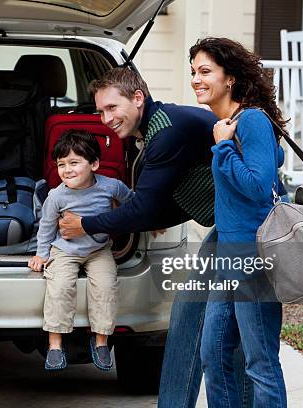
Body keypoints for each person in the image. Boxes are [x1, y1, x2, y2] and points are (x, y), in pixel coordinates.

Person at [58, 67, 252, 407]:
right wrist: (152, 215)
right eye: (100, 111)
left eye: (112, 108)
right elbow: (174, 194)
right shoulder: (155, 127)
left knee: (226, 334)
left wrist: (85, 224)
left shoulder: (166, 133)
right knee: (189, 319)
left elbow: (144, 210)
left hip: (247, 228)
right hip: (228, 224)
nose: (105, 119)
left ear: (137, 98)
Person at [189, 37, 288, 407]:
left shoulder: (251, 121)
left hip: (254, 254)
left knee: (260, 362)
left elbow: (259, 187)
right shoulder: (230, 124)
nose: (197, 79)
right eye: (193, 72)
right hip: (229, 255)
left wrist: (223, 146)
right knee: (213, 356)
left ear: (229, 78)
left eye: (205, 71)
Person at [28, 129, 134, 371]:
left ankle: (101, 341)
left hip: (99, 250)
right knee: (60, 287)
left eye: (74, 163)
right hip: (65, 249)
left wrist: (150, 221)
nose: (67, 170)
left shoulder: (111, 186)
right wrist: (41, 254)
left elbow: (132, 202)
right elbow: (46, 227)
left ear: (94, 164)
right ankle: (55, 345)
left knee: (106, 286)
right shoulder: (56, 196)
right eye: (61, 164)